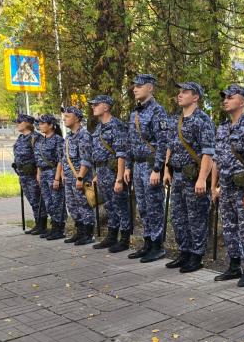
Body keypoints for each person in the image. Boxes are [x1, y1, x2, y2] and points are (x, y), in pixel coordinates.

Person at [211, 84, 244, 287]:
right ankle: (234, 266)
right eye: (224, 97)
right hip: (225, 187)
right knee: (230, 227)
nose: (225, 100)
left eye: (230, 97)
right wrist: (214, 186)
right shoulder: (223, 127)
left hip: (243, 189)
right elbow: (216, 159)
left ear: (242, 101)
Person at [163, 82, 215, 273]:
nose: (180, 94)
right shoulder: (176, 120)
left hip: (193, 177)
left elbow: (208, 153)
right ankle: (184, 252)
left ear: (196, 97)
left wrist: (202, 179)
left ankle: (196, 256)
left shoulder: (202, 120)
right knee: (178, 217)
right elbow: (170, 146)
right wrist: (166, 170)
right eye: (179, 91)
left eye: (185, 92)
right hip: (176, 175)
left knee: (196, 218)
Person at [124, 74, 170, 263]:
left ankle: (157, 246)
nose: (135, 88)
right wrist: (127, 166)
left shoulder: (158, 111)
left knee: (154, 207)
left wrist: (157, 169)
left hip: (151, 166)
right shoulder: (134, 113)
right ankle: (148, 243)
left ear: (150, 88)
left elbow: (163, 142)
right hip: (137, 165)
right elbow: (129, 142)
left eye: (140, 86)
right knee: (142, 207)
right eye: (134, 85)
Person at [89, 95, 132, 253]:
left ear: (106, 107)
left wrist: (119, 179)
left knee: (121, 205)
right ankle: (112, 236)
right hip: (102, 171)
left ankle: (125, 239)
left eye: (96, 104)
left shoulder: (117, 126)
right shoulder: (99, 127)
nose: (93, 107)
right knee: (109, 205)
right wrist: (97, 174)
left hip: (114, 172)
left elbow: (121, 154)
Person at [61, 106, 95, 246]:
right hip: (69, 178)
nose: (64, 119)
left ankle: (88, 234)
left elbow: (86, 160)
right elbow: (64, 157)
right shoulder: (68, 136)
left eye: (68, 116)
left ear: (77, 118)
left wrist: (80, 177)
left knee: (84, 206)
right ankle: (80, 231)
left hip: (79, 178)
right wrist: (63, 174)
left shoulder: (84, 135)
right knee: (72, 206)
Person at [34, 114, 67, 240]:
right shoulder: (41, 140)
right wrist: (38, 173)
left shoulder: (58, 140)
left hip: (53, 173)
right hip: (43, 174)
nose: (40, 126)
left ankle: (59, 229)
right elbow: (38, 159)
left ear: (51, 125)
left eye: (43, 123)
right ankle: (53, 227)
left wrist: (57, 178)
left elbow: (60, 160)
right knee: (48, 202)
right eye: (39, 123)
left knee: (57, 202)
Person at [12, 114, 46, 235]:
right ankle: (37, 223)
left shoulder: (35, 137)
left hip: (33, 174)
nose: (17, 124)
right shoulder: (21, 138)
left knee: (37, 199)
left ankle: (42, 224)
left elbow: (40, 157)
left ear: (27, 123)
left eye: (19, 122)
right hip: (23, 174)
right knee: (32, 200)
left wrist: (38, 173)